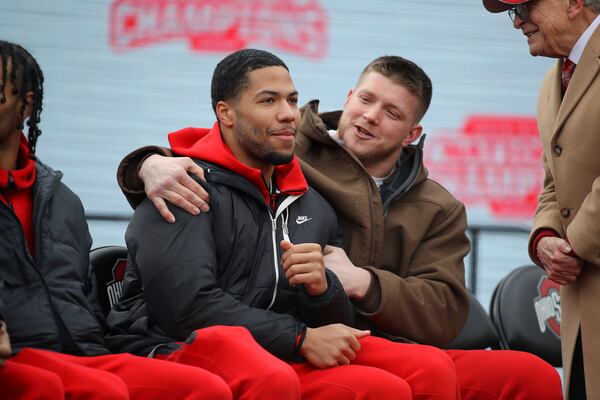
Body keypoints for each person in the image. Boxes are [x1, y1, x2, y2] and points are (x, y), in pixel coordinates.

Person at [120, 53, 565, 399]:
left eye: (392, 112)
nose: (370, 116)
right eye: (366, 100)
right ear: (348, 96)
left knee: (530, 375)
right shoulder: (291, 152)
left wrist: (354, 284)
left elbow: (448, 311)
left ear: (413, 133)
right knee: (390, 380)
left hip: (364, 336)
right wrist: (145, 164)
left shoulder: (437, 205)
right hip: (268, 338)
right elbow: (216, 149)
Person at [0, 40, 232, 400]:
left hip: (82, 352)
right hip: (15, 356)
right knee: (94, 390)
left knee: (203, 388)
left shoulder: (62, 200)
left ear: (26, 105)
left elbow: (81, 295)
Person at [483, 1, 600, 398]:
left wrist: (575, 245)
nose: (517, 22)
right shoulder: (554, 79)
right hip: (580, 305)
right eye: (510, 12)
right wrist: (546, 236)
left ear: (574, 3)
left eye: (524, 7)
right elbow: (555, 180)